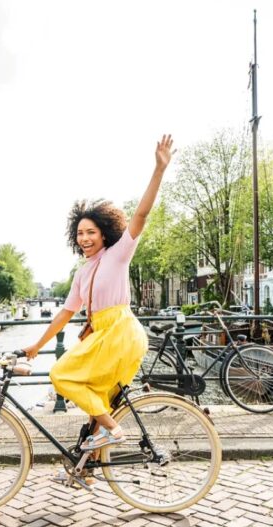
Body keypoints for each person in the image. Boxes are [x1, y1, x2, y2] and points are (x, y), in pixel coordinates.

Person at [23, 134, 174, 455]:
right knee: (95, 400)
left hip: (120, 334)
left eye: (91, 232)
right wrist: (37, 345)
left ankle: (115, 430)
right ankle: (89, 470)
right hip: (102, 336)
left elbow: (141, 216)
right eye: (80, 233)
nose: (85, 237)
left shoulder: (118, 254)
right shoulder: (82, 273)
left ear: (103, 233)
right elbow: (64, 314)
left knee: (60, 374)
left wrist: (159, 170)